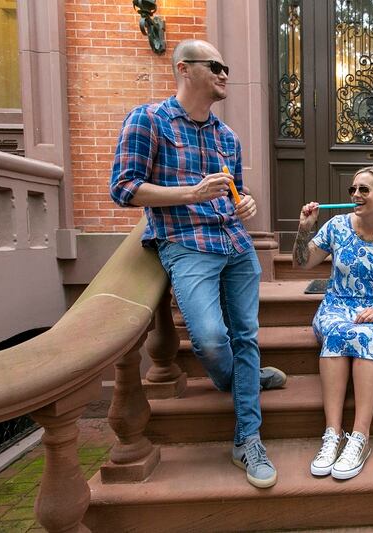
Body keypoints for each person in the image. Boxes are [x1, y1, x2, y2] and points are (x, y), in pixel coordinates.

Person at [109, 39, 284, 489]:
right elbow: (125, 188)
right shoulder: (148, 121)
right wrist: (189, 194)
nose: (225, 73)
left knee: (245, 335)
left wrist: (246, 204)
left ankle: (248, 438)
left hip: (236, 245)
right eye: (216, 66)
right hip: (185, 244)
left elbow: (235, 192)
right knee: (208, 338)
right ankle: (236, 378)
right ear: (185, 69)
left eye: (226, 67)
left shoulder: (228, 137)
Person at [293, 166, 373, 480]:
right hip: (338, 307)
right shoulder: (336, 226)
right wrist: (304, 229)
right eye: (353, 190)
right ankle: (332, 435)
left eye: (364, 189)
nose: (356, 195)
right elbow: (301, 263)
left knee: (367, 335)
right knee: (337, 332)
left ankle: (360, 438)